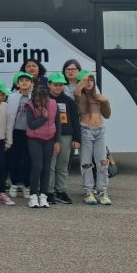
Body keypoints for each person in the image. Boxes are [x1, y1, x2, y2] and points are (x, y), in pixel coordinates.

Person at [75, 71, 113, 205]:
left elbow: (107, 115)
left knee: (102, 162)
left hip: (100, 130)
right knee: (86, 162)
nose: (89, 82)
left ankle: (102, 191)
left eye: (92, 80)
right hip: (86, 130)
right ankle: (89, 191)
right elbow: (77, 90)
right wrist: (84, 77)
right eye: (87, 80)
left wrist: (105, 101)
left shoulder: (98, 96)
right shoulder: (79, 95)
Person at [47, 72, 80, 204]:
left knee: (63, 164)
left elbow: (75, 121)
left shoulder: (69, 101)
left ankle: (60, 190)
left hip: (66, 135)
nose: (58, 87)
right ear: (49, 85)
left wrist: (77, 139)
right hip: (49, 135)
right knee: (50, 164)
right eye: (55, 85)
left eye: (61, 85)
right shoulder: (45, 100)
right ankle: (49, 191)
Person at [25, 86, 60, 208]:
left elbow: (58, 123)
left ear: (47, 98)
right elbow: (31, 125)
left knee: (46, 168)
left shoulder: (54, 104)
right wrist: (43, 118)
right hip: (34, 139)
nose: (39, 104)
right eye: (37, 101)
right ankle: (33, 195)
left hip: (49, 140)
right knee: (37, 166)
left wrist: (57, 141)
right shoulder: (30, 106)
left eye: (42, 101)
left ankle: (43, 195)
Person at [7, 71, 34, 200]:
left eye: (27, 80)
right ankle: (14, 183)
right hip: (16, 131)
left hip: (30, 133)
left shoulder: (34, 96)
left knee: (28, 160)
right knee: (14, 159)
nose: (24, 82)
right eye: (21, 80)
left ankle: (27, 185)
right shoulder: (11, 97)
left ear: (32, 83)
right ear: (17, 84)